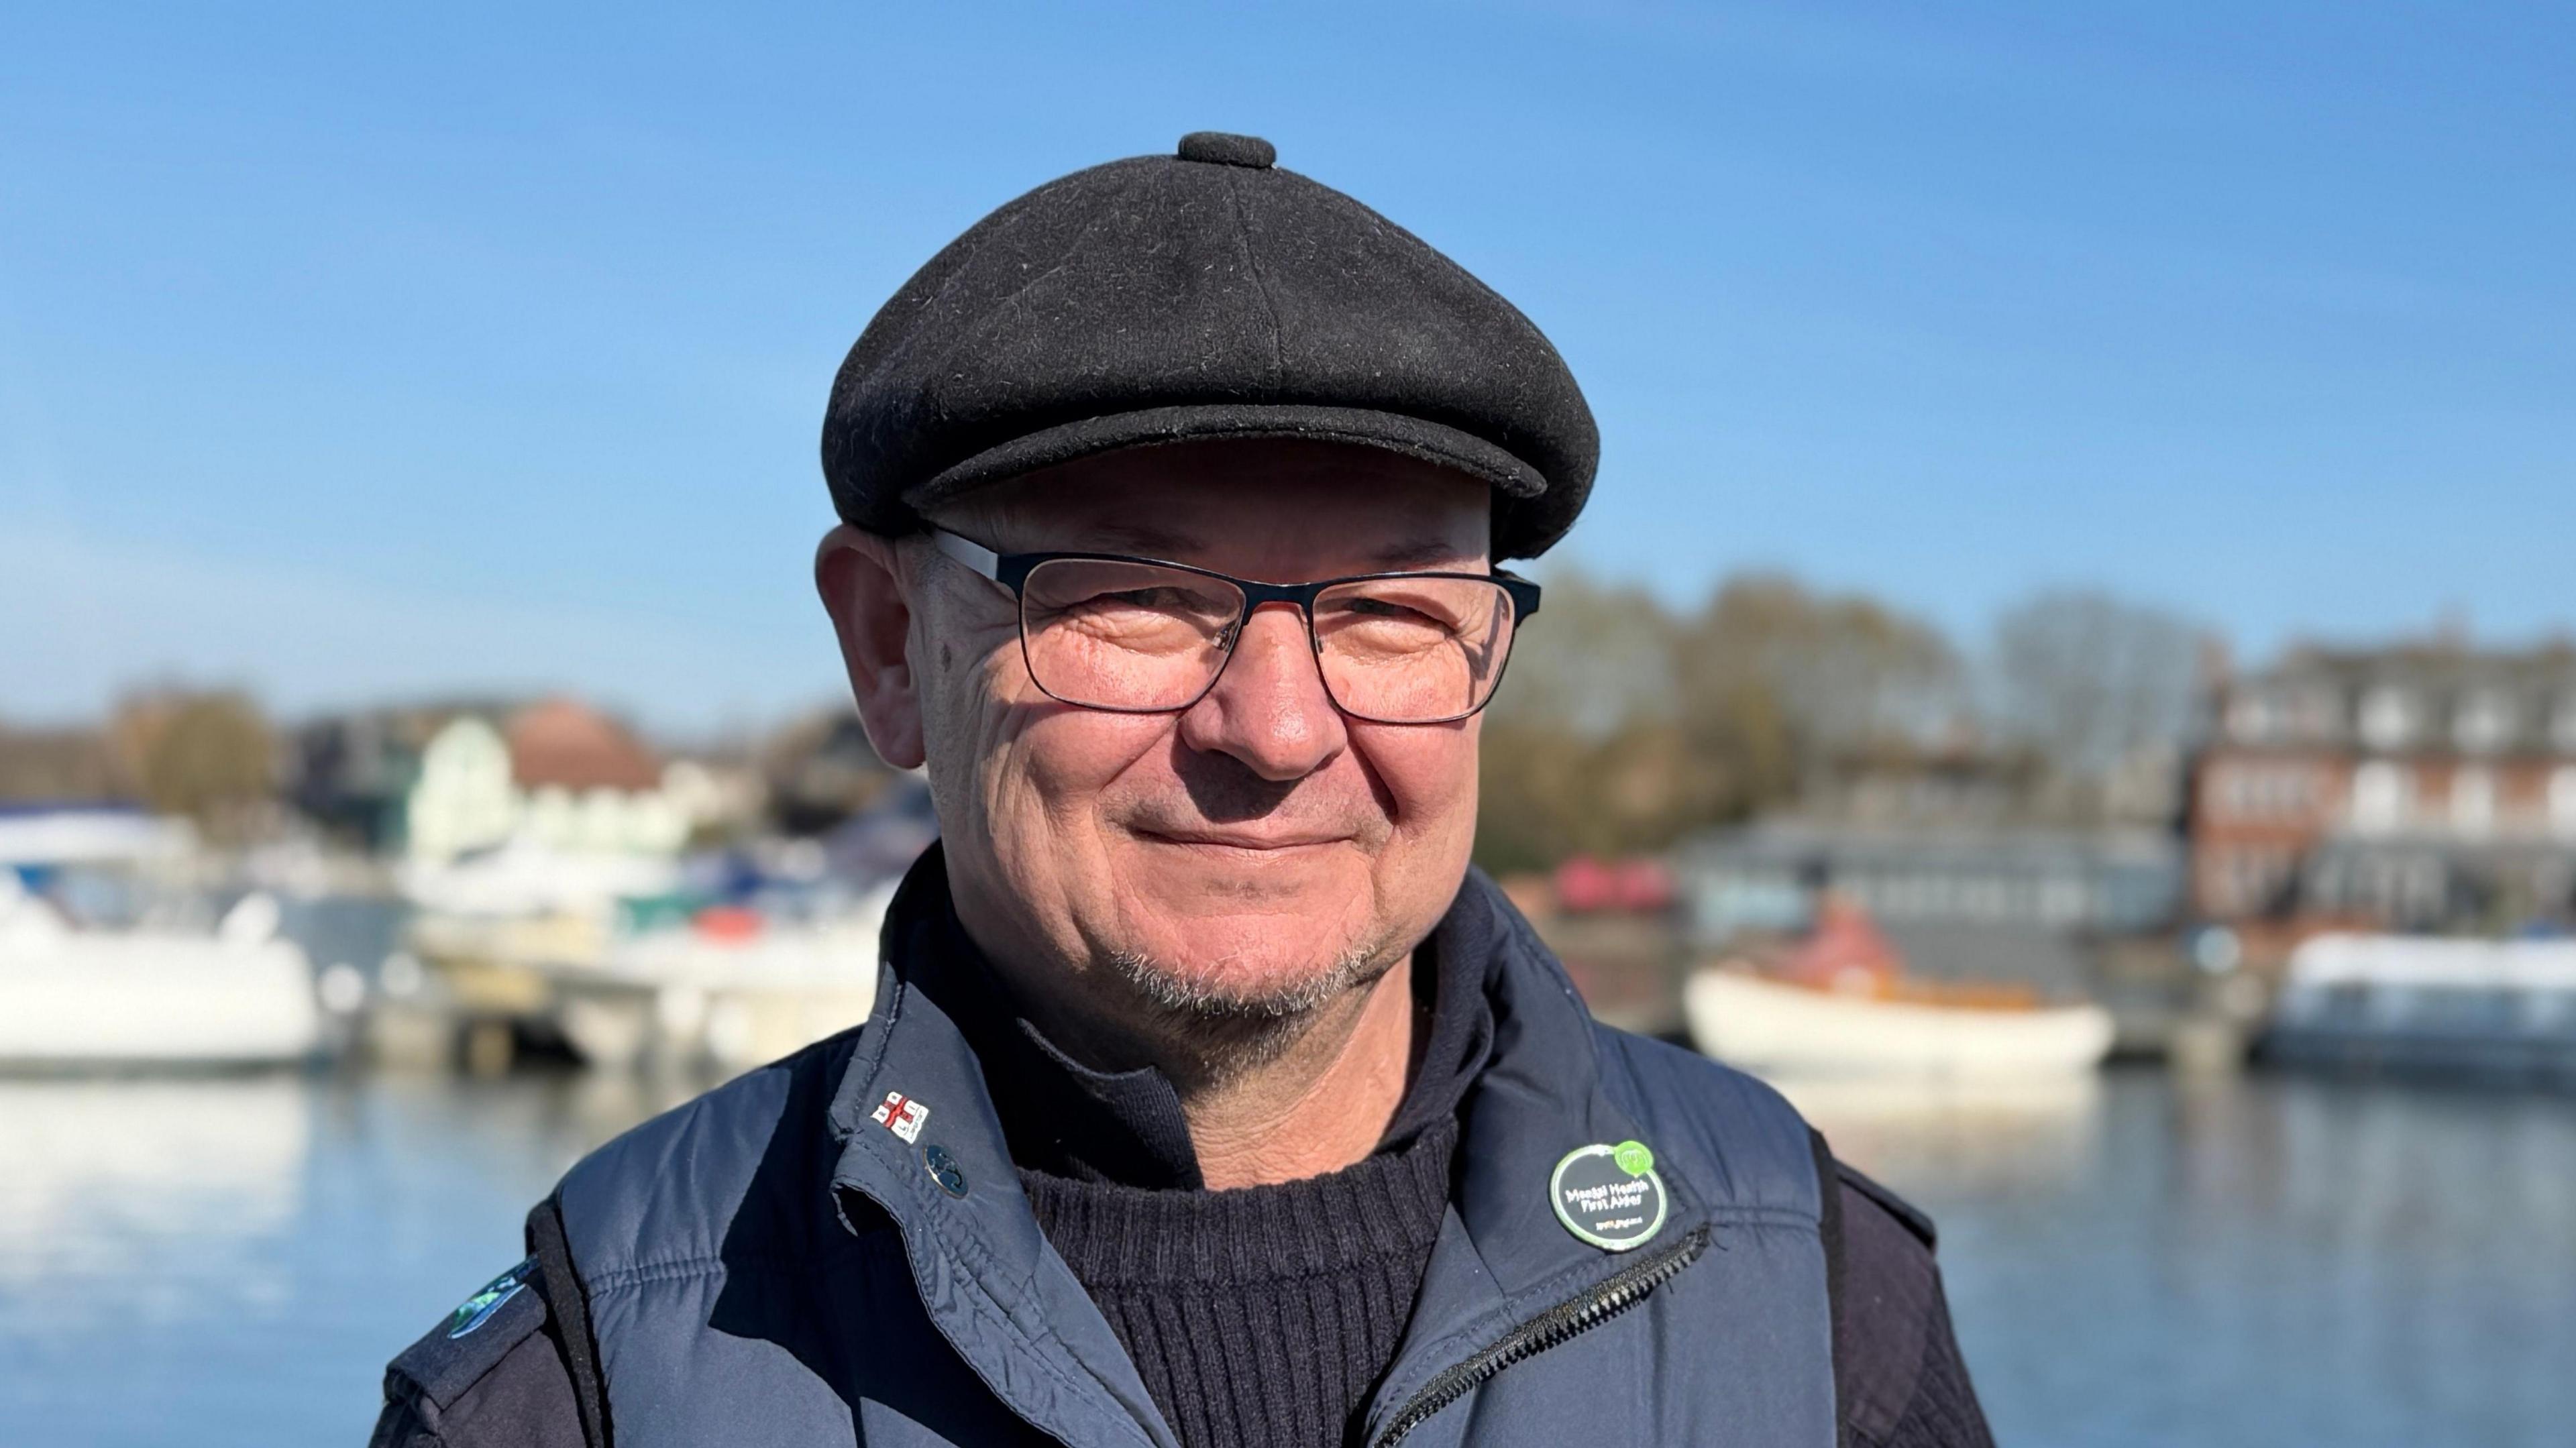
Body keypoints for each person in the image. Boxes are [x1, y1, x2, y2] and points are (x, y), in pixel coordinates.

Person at [370, 131, 1993, 1448]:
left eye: (1387, 612)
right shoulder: (594, 1381)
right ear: (888, 649)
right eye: (1134, 598)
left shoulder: (1810, 1299)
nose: (1276, 730)